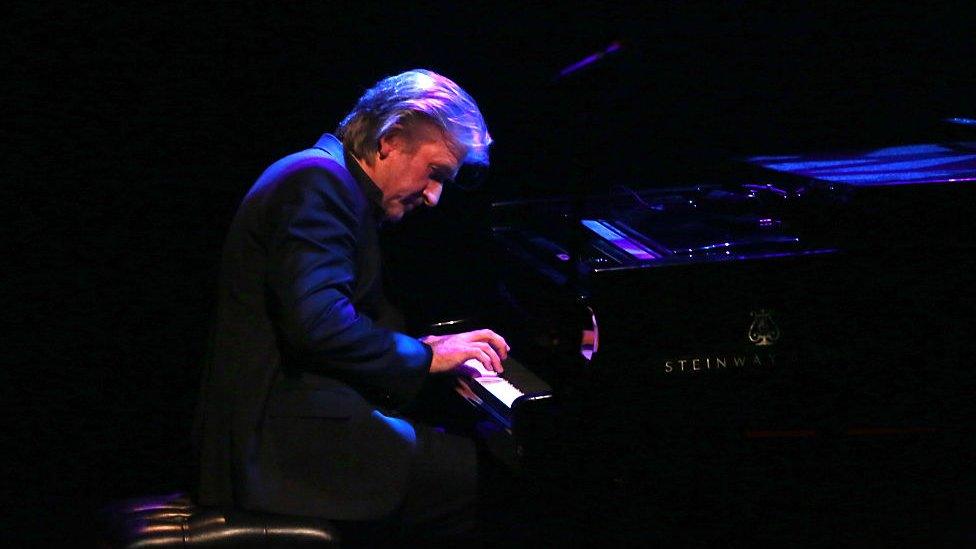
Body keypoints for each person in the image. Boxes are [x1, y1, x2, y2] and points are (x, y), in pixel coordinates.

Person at [193, 69, 509, 544]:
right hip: (279, 446)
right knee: (487, 480)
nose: (435, 196)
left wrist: (421, 349)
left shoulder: (326, 178)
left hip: (292, 426)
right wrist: (425, 358)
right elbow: (317, 325)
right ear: (390, 140)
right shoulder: (318, 181)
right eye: (436, 173)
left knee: (454, 456)